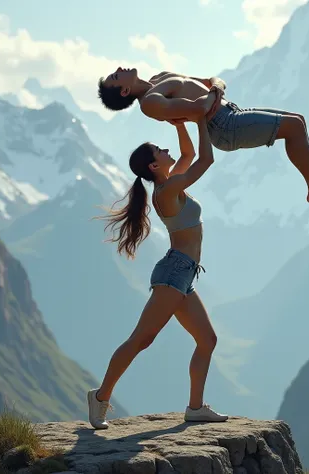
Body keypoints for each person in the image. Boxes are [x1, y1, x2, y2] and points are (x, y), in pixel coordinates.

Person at [88, 115, 228, 429]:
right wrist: (202, 121)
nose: (167, 150)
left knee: (207, 339)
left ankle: (195, 408)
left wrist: (181, 123)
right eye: (160, 150)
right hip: (173, 273)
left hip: (184, 274)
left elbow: (188, 157)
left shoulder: (171, 183)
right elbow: (205, 159)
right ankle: (100, 397)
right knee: (142, 339)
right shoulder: (166, 191)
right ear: (153, 166)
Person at [97, 68, 309, 213]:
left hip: (232, 111)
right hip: (224, 127)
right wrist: (214, 91)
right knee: (295, 127)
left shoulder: (160, 78)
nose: (119, 69)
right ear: (124, 91)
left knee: (297, 120)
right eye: (116, 76)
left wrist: (216, 89)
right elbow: (200, 108)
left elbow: (213, 80)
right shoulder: (151, 103)